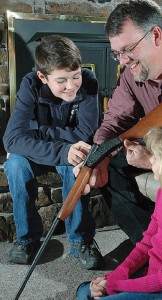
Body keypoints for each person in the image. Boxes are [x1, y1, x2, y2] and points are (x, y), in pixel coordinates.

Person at [77, 0, 162, 245]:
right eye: (116, 53)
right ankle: (155, 247)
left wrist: (155, 160)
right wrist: (97, 155)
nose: (122, 60)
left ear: (155, 35)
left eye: (128, 49)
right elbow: (114, 121)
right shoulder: (133, 75)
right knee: (109, 162)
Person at [76, 119, 162, 300]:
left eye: (156, 158)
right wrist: (117, 276)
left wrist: (115, 286)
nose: (150, 160)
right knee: (84, 292)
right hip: (153, 275)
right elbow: (147, 242)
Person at [3, 34, 105, 270]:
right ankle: (27, 239)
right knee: (16, 164)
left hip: (56, 150)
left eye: (75, 76)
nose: (71, 86)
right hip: (44, 153)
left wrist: (37, 133)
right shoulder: (30, 84)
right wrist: (62, 148)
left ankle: (81, 239)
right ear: (42, 76)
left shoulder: (89, 81)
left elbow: (86, 132)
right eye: (61, 80)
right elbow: (11, 139)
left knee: (76, 163)